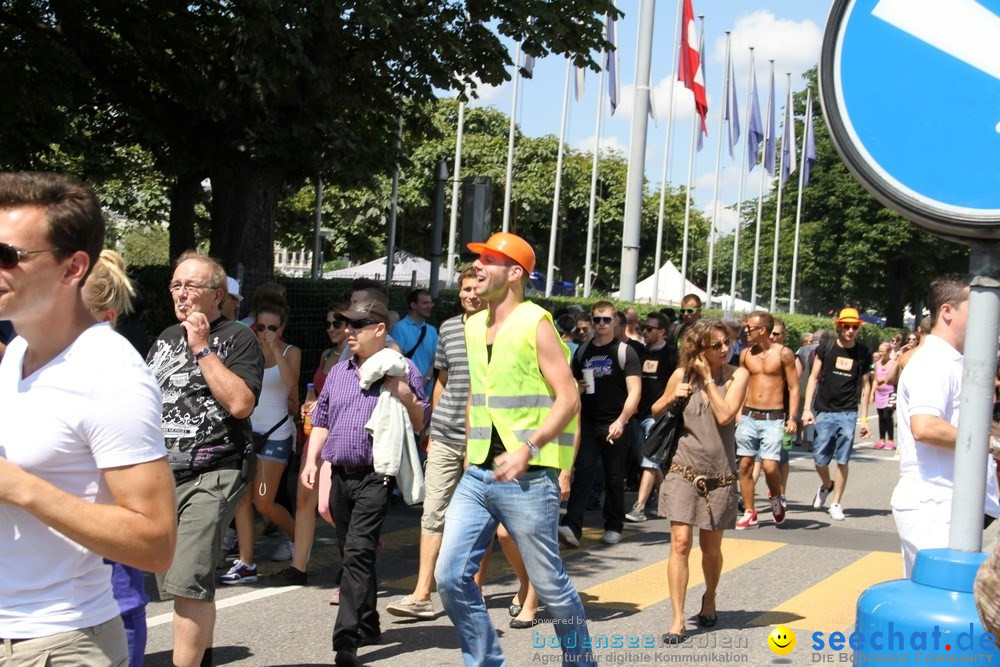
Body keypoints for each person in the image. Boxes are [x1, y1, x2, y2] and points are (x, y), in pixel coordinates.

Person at [0, 172, 176, 666]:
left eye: (7, 256)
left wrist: (23, 489)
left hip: (59, 644)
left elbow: (156, 545)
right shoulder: (16, 353)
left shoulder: (109, 373)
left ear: (72, 267)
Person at [435, 232, 595, 666]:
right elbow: (477, 393)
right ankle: (485, 661)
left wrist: (530, 447)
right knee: (449, 578)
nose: (479, 266)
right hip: (478, 472)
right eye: (479, 259)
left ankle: (580, 661)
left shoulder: (535, 322)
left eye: (490, 259)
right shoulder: (471, 325)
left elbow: (569, 398)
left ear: (515, 273)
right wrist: (471, 447)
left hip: (528, 477)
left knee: (549, 585)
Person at [148, 251, 263, 667]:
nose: (181, 294)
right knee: (175, 580)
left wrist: (201, 347)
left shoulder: (237, 337)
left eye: (191, 286)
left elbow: (241, 404)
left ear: (217, 295)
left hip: (214, 471)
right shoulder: (163, 337)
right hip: (164, 476)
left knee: (188, 579)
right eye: (176, 286)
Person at [299, 299, 428, 667]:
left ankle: (346, 640)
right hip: (340, 474)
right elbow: (321, 420)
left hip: (376, 476)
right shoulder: (340, 372)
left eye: (358, 325)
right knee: (353, 551)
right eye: (345, 325)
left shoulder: (402, 370)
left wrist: (404, 395)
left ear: (379, 329)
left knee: (357, 552)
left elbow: (421, 423)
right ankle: (369, 622)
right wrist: (312, 461)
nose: (348, 332)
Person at [386, 266, 484, 621]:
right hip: (445, 432)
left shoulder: (501, 329)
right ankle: (422, 593)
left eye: (476, 287)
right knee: (434, 510)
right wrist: (430, 424)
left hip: (486, 437)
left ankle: (475, 591)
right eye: (465, 289)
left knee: (478, 516)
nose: (470, 294)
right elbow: (440, 381)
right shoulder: (448, 328)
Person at [892, 275, 999, 577]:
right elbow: (925, 427)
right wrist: (991, 445)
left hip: (948, 504)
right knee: (940, 601)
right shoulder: (934, 361)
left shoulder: (951, 360)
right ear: (948, 311)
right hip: (934, 505)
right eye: (976, 306)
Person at [651, 320, 749, 645]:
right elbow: (654, 410)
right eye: (717, 345)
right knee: (680, 543)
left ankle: (710, 597)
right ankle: (678, 619)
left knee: (711, 548)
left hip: (720, 473)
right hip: (683, 469)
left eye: (727, 343)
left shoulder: (738, 376)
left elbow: (724, 416)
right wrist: (671, 398)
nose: (725, 349)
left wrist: (707, 379)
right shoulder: (681, 375)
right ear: (700, 349)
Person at [83, 249, 156, 667]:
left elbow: (143, 514)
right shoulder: (27, 355)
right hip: (44, 589)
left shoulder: (117, 365)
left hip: (108, 582)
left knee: (123, 604)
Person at [222, 295, 302, 584]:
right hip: (248, 432)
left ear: (281, 328)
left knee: (264, 502)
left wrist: (274, 347)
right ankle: (246, 562)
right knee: (242, 500)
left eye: (272, 327)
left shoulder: (290, 351)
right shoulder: (247, 349)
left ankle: (299, 541)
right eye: (260, 326)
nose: (265, 331)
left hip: (276, 434)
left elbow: (291, 382)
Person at [559, 300, 641, 547]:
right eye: (597, 319)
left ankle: (614, 524)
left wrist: (621, 421)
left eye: (606, 319)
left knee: (614, 476)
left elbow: (635, 391)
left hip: (614, 421)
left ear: (615, 320)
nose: (601, 324)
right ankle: (572, 526)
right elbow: (571, 385)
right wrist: (578, 389)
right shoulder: (583, 351)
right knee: (582, 472)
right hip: (587, 420)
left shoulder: (625, 351)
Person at [802, 308, 872, 522]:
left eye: (854, 327)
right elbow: (813, 377)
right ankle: (826, 484)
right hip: (824, 410)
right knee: (820, 458)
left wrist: (864, 419)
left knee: (842, 459)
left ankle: (836, 503)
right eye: (846, 326)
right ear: (839, 326)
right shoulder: (827, 348)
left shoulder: (862, 352)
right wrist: (807, 409)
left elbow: (866, 385)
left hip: (848, 412)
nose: (850, 330)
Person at [734, 311, 799, 529]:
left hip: (774, 417)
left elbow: (794, 387)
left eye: (749, 328)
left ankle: (776, 496)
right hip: (749, 415)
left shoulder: (784, 354)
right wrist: (737, 411)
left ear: (762, 330)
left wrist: (792, 418)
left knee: (771, 467)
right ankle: (750, 512)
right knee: (744, 464)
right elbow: (740, 384)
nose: (746, 331)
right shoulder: (745, 354)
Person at [626, 312, 678, 523]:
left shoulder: (671, 355)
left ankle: (639, 507)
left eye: (649, 328)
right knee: (646, 461)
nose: (644, 332)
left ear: (662, 331)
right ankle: (672, 499)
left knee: (649, 461)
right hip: (637, 415)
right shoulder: (638, 352)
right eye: (643, 328)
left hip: (657, 417)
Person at [390, 288, 439, 394]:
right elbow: (397, 359)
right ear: (413, 305)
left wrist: (426, 380)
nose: (429, 306)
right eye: (425, 303)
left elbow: (435, 360)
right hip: (405, 388)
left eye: (431, 303)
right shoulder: (399, 328)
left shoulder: (432, 331)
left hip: (427, 391)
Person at [871, 343, 897, 451]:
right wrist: (872, 393)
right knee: (881, 417)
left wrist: (885, 379)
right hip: (879, 393)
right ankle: (881, 439)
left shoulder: (893, 363)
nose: (881, 353)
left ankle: (890, 440)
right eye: (880, 351)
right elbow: (875, 380)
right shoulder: (877, 364)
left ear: (889, 351)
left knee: (887, 416)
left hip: (890, 393)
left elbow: (894, 378)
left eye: (883, 351)